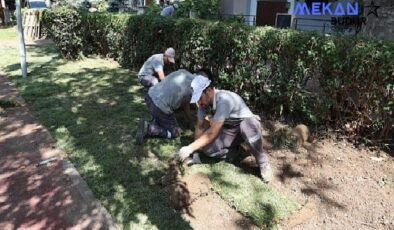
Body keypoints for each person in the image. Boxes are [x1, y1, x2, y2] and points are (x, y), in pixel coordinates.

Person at [175, 74, 273, 182]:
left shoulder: (224, 100)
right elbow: (199, 125)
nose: (199, 102)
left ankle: (263, 163)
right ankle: (235, 152)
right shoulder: (203, 104)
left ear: (208, 91)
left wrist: (189, 148)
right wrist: (196, 153)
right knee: (208, 150)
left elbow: (211, 133)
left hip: (246, 124)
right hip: (229, 129)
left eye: (200, 98)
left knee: (247, 127)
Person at [135, 69, 196, 145]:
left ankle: (157, 121)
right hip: (158, 106)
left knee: (165, 115)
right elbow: (185, 106)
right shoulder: (192, 89)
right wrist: (191, 120)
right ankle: (150, 128)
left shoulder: (184, 72)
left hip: (149, 96)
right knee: (176, 133)